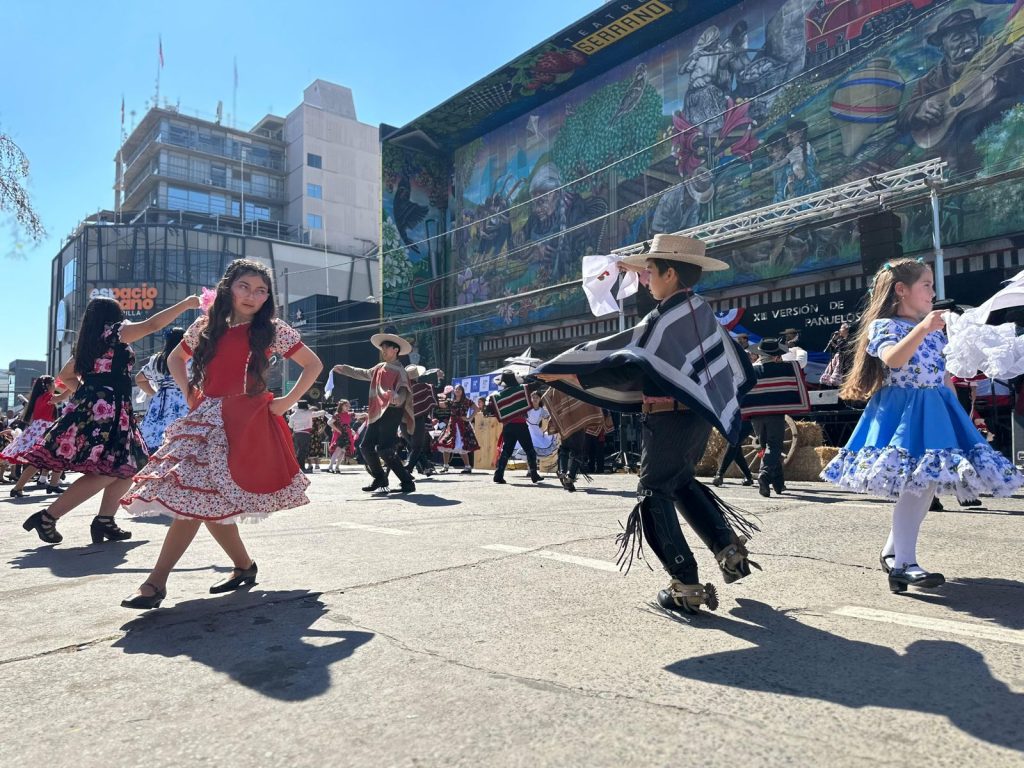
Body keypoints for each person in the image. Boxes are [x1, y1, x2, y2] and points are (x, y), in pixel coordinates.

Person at [534, 234, 758, 615]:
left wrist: (566, 368)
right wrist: (629, 265)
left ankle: (685, 583)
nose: (644, 279)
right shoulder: (698, 311)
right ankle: (728, 549)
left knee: (653, 490)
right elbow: (736, 362)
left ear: (669, 273)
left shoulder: (665, 318)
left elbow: (629, 356)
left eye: (650, 271)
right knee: (681, 482)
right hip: (696, 415)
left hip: (667, 418)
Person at [120, 258, 321, 608]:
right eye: (245, 286)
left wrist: (287, 402)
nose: (253, 295)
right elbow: (173, 361)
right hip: (207, 416)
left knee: (200, 499)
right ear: (228, 288)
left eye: (261, 290)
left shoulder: (272, 329)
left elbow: (313, 364)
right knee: (204, 498)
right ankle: (243, 566)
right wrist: (188, 394)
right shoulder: (205, 326)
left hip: (247, 419)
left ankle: (156, 582)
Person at [822, 258, 1023, 593]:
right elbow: (893, 359)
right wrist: (924, 328)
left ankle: (894, 554)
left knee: (924, 485)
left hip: (936, 410)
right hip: (903, 412)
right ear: (902, 290)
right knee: (917, 485)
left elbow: (945, 375)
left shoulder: (933, 333)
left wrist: (959, 405)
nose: (933, 291)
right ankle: (904, 564)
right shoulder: (886, 326)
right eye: (926, 285)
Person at [19, 292, 201, 545]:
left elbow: (65, 374)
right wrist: (185, 303)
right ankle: (47, 517)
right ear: (112, 316)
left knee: (127, 467)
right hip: (109, 410)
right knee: (108, 470)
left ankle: (105, 520)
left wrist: (89, 389)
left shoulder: (90, 341)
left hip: (101, 407)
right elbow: (152, 325)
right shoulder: (114, 332)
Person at [897, 8, 1024, 175]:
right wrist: (918, 111)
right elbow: (902, 119)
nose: (967, 40)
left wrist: (1019, 59)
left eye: (971, 33)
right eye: (957, 38)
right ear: (943, 46)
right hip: (950, 152)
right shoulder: (932, 80)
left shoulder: (998, 50)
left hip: (999, 128)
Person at [333, 333, 416, 494]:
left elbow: (404, 392)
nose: (383, 351)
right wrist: (345, 369)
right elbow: (364, 373)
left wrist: (397, 398)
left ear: (395, 350)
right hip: (377, 411)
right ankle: (380, 478)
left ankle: (407, 482)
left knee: (384, 449)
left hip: (392, 411)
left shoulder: (400, 371)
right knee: (365, 446)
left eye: (385, 348)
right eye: (382, 348)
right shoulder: (379, 367)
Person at [743, 338, 810, 497]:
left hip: (756, 415)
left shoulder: (751, 370)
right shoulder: (787, 368)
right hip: (775, 414)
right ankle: (764, 475)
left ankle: (779, 484)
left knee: (767, 447)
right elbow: (802, 360)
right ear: (775, 355)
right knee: (775, 447)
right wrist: (797, 348)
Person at [3, 375, 69, 497]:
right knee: (43, 458)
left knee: (57, 455)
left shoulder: (38, 398)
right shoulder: (47, 397)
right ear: (49, 386)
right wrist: (73, 386)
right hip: (45, 430)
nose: (55, 386)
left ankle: (52, 484)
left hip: (39, 428)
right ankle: (19, 488)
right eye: (53, 384)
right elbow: (63, 396)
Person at [135, 327, 190, 450]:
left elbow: (139, 378)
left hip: (160, 402)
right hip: (183, 399)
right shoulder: (188, 359)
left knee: (154, 435)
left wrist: (154, 394)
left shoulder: (156, 360)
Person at [542, 387, 605, 493]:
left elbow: (546, 398)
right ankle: (570, 478)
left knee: (565, 448)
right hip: (578, 422)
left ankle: (562, 471)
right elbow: (592, 395)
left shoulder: (559, 382)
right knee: (578, 452)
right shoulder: (578, 381)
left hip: (564, 422)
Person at [488, 371, 542, 485]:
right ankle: (534, 474)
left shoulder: (499, 395)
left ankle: (498, 475)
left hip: (508, 426)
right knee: (529, 450)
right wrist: (531, 377)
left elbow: (490, 408)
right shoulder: (522, 389)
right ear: (514, 379)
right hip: (521, 425)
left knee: (507, 450)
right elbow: (537, 384)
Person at [437, 384, 479, 473]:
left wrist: (469, 418)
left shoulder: (467, 401)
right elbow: (441, 405)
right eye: (456, 389)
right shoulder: (451, 401)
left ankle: (467, 467)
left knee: (462, 446)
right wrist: (438, 396)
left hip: (462, 426)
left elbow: (476, 409)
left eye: (459, 389)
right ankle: (445, 466)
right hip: (451, 425)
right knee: (445, 443)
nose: (457, 390)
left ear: (462, 391)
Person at [405, 365, 438, 476]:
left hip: (403, 421)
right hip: (417, 420)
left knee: (414, 446)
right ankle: (408, 468)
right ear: (417, 376)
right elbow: (427, 402)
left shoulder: (401, 388)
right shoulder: (423, 387)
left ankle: (425, 467)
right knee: (417, 447)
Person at [515, 391, 557, 462]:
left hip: (537, 432)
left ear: (540, 399)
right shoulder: (527, 409)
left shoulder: (542, 411)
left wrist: (547, 429)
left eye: (537, 397)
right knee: (526, 450)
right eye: (533, 397)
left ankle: (531, 470)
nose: (535, 399)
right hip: (527, 430)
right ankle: (529, 469)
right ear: (530, 399)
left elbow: (550, 418)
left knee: (535, 450)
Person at [289, 400, 327, 473]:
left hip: (296, 434)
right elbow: (317, 413)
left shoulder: (293, 415)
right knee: (303, 451)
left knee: (298, 450)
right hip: (305, 433)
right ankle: (301, 467)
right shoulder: (308, 413)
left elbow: (290, 425)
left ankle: (298, 466)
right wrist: (323, 411)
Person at [326, 400, 356, 472]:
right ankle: (330, 467)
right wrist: (337, 430)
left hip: (347, 434)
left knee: (343, 451)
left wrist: (365, 414)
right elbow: (329, 422)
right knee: (337, 450)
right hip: (340, 435)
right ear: (341, 406)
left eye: (348, 406)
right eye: (346, 405)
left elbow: (348, 424)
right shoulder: (337, 415)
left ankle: (337, 467)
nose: (348, 407)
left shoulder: (349, 414)